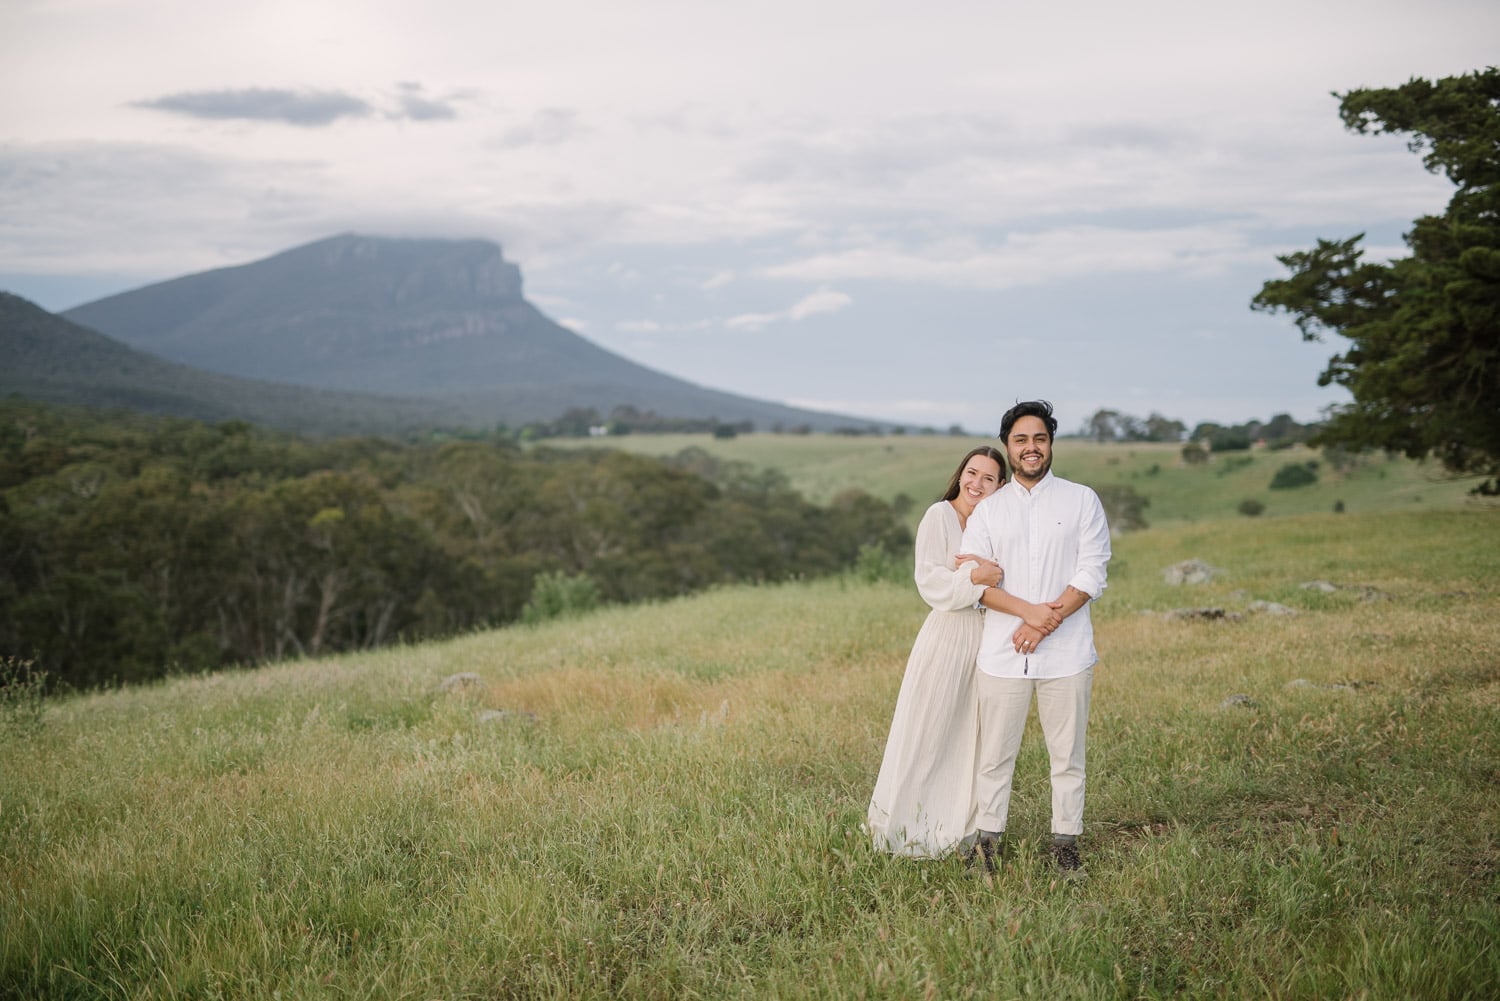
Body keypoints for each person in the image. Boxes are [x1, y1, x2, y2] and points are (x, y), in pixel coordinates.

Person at [867, 447, 1064, 858]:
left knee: (973, 737)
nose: (976, 483)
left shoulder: (996, 523)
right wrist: (976, 575)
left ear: (1000, 486)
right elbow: (931, 583)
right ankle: (907, 825)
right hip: (947, 638)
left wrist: (990, 582)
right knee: (930, 728)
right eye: (971, 473)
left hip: (988, 639)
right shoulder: (938, 517)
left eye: (988, 478)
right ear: (960, 475)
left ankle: (962, 828)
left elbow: (1014, 579)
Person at [960, 400, 1111, 877]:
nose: (1031, 448)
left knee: (1067, 757)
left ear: (1050, 445)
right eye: (1021, 440)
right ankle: (988, 846)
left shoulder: (1081, 499)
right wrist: (1027, 616)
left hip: (1067, 655)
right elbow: (976, 582)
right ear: (1008, 446)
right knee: (994, 757)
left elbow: (1092, 570)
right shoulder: (988, 511)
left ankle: (1066, 846)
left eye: (1039, 439)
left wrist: (1043, 621)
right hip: (1002, 656)